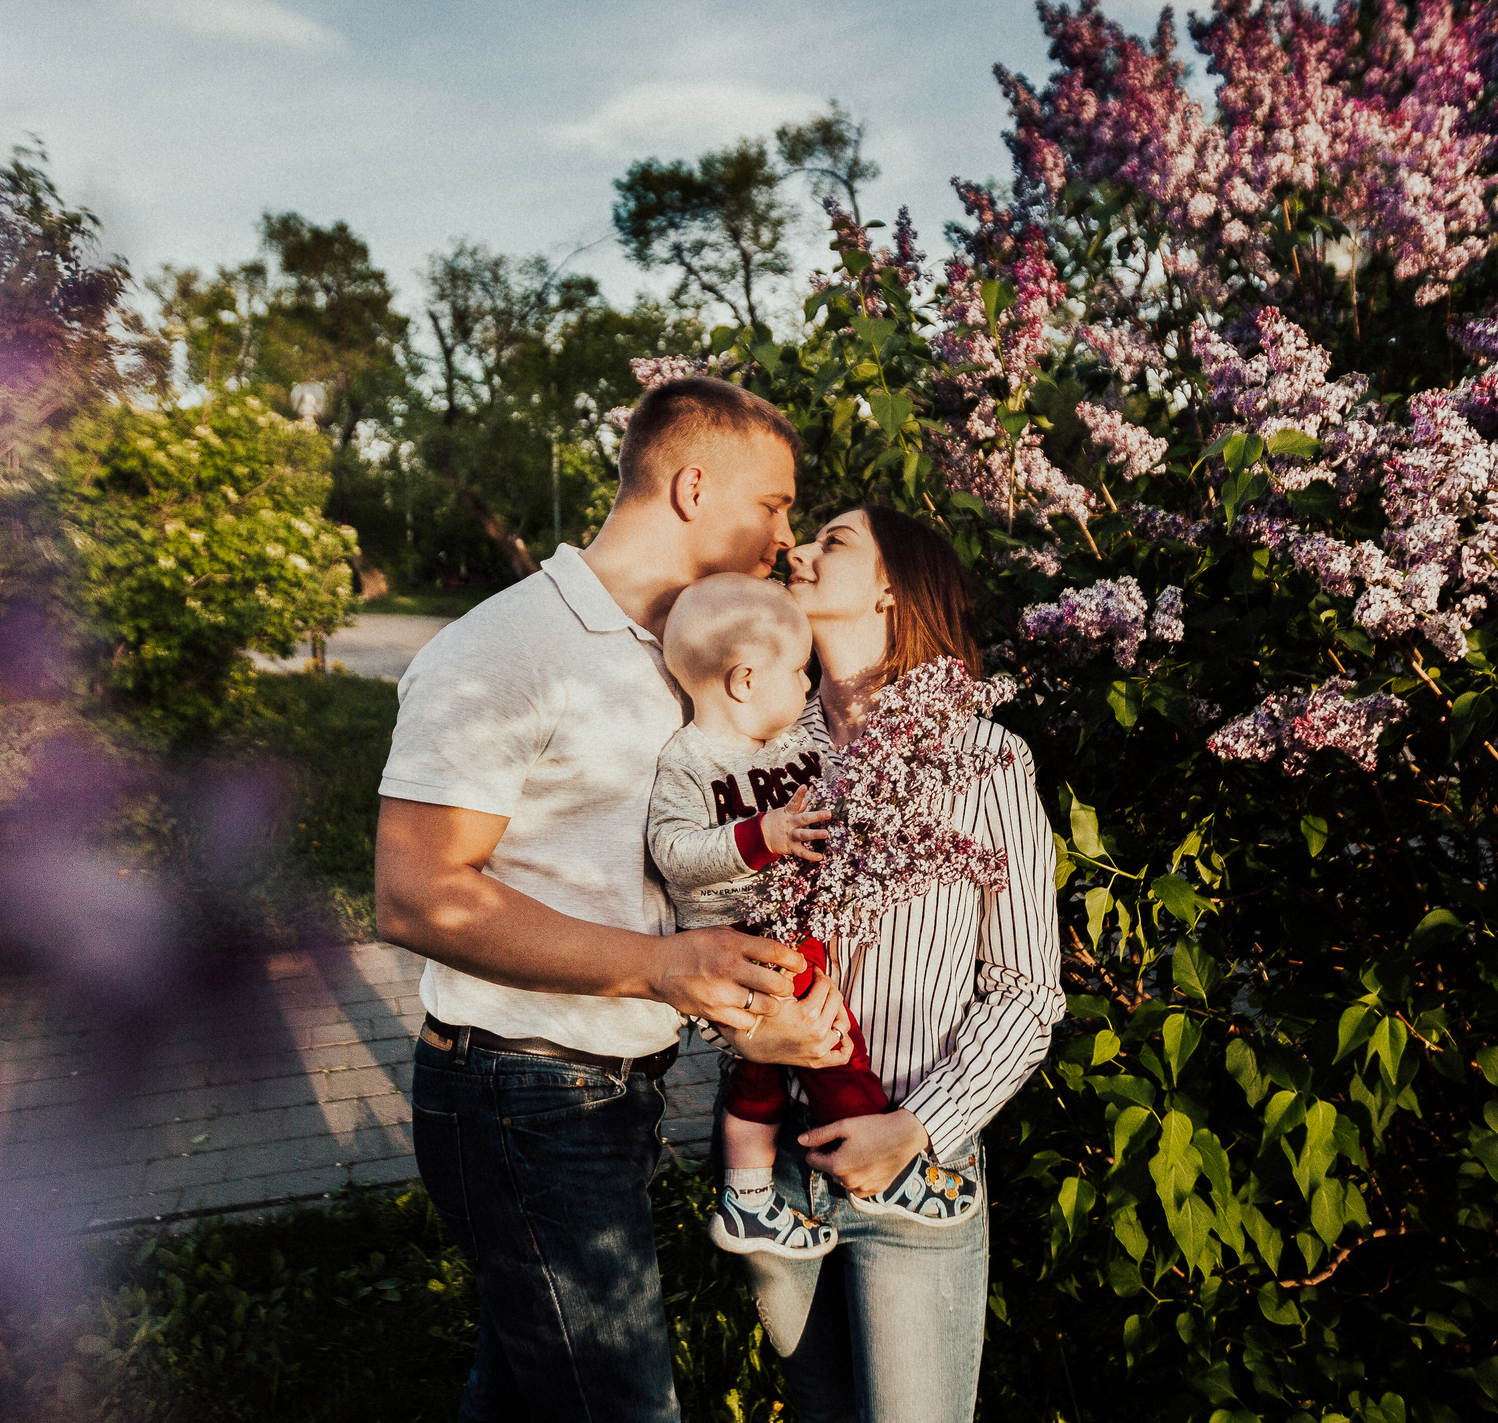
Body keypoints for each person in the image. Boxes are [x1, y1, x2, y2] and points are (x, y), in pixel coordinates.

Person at [372, 378, 854, 1423]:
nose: (784, 536)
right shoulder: (500, 650)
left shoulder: (682, 655)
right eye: (773, 505)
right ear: (693, 487)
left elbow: (654, 871)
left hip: (614, 1084)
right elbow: (414, 895)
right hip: (519, 1091)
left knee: (525, 1387)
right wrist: (661, 969)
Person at [739, 503, 1065, 1423]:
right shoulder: (763, 755)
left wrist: (918, 1126)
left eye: (833, 542)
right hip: (777, 1168)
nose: (798, 550)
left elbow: (1027, 992)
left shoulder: (986, 761)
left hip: (917, 1169)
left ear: (892, 588)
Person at [647, 574, 984, 1262]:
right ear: (743, 680)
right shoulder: (689, 760)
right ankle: (883, 1168)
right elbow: (672, 851)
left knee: (760, 1074)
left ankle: (746, 1199)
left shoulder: (800, 750)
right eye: (798, 670)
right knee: (831, 1048)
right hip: (740, 946)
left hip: (799, 933)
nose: (808, 685)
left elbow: (846, 807)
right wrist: (760, 835)